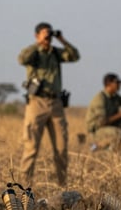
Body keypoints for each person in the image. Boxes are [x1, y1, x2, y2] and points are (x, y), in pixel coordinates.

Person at [18, 22, 80, 186]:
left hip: (56, 103)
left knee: (61, 148)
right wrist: (38, 44)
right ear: (37, 35)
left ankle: (62, 185)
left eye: (49, 34)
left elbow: (75, 56)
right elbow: (22, 59)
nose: (48, 37)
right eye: (44, 34)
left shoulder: (56, 53)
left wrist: (61, 39)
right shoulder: (33, 53)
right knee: (31, 147)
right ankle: (24, 186)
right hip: (36, 102)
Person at [85, 73, 121, 150]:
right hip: (96, 131)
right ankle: (95, 147)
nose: (119, 85)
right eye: (117, 82)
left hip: (110, 126)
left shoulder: (115, 97)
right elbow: (101, 122)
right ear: (109, 84)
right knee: (118, 133)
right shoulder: (100, 99)